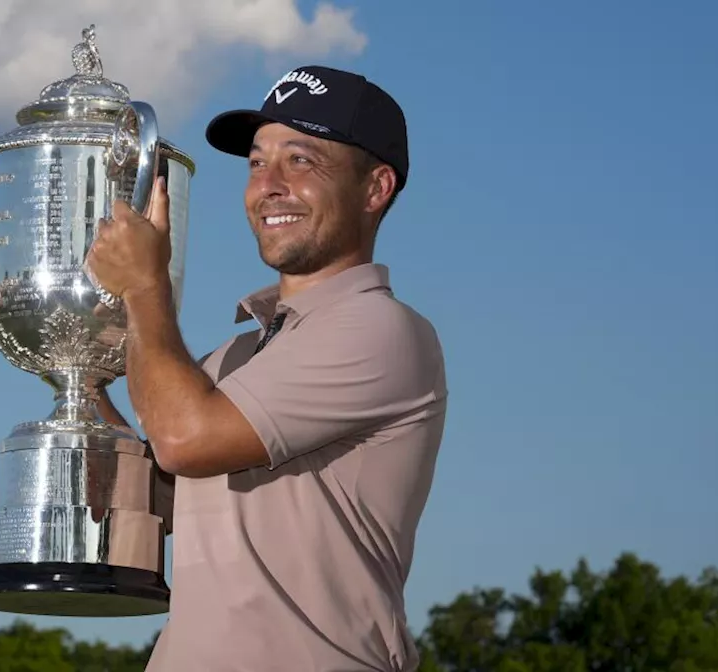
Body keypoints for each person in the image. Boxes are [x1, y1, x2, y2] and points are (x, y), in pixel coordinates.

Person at [85, 65, 448, 671]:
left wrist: (146, 286)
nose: (268, 185)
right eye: (257, 162)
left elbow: (184, 439)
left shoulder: (385, 332)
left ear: (375, 187)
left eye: (301, 160)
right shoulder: (232, 361)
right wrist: (79, 371)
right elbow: (149, 508)